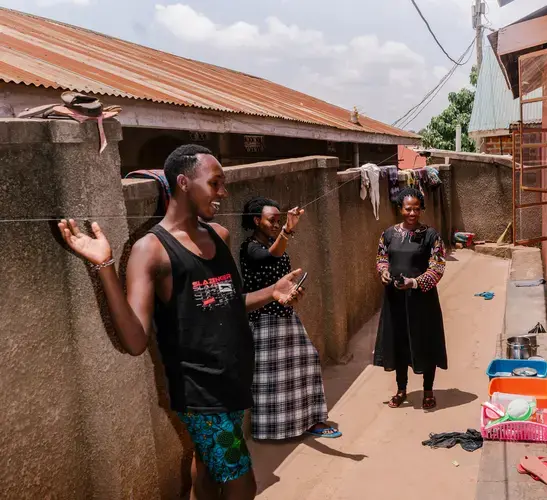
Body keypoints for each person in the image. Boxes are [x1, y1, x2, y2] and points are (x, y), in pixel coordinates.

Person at [58, 145, 304, 500]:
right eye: (216, 183)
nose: (223, 192)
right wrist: (104, 266)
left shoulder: (219, 236)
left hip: (234, 378)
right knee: (242, 486)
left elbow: (228, 303)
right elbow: (135, 339)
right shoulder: (151, 249)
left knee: (206, 464)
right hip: (198, 391)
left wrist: (272, 291)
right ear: (184, 182)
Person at [240, 197, 340, 440]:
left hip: (285, 314)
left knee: (307, 361)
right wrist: (287, 230)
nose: (276, 224)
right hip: (264, 319)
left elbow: (278, 255)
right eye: (272, 220)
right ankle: (271, 430)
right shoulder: (250, 248)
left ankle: (308, 421)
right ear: (257, 221)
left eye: (278, 220)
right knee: (271, 377)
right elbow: (269, 257)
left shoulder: (275, 241)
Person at [374, 187, 448, 410]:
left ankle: (428, 391)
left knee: (425, 343)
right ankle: (401, 389)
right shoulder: (388, 234)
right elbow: (381, 258)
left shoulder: (431, 236)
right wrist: (384, 272)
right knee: (399, 342)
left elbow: (438, 267)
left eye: (416, 208)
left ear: (421, 209)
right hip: (395, 299)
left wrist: (414, 283)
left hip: (422, 300)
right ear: (400, 209)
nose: (412, 213)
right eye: (408, 208)